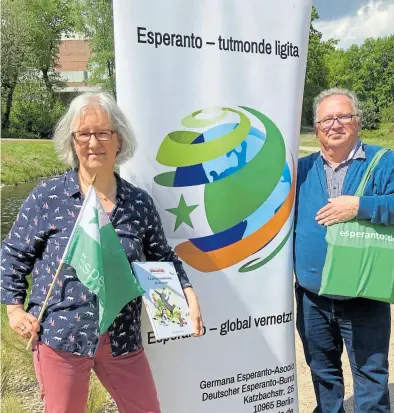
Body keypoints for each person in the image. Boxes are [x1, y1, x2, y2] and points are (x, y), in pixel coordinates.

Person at [1, 91, 204, 413]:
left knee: (146, 408)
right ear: (72, 141)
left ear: (119, 140)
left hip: (122, 336)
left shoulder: (138, 202)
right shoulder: (48, 197)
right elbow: (13, 254)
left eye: (103, 133)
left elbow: (161, 258)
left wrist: (188, 295)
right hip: (61, 333)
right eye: (83, 134)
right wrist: (14, 309)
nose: (93, 143)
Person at [294, 88, 394, 413]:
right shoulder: (302, 169)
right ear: (316, 126)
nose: (335, 124)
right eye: (327, 119)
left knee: (370, 384)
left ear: (358, 121)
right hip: (313, 301)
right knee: (323, 379)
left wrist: (361, 206)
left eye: (343, 116)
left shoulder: (383, 162)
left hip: (364, 299)